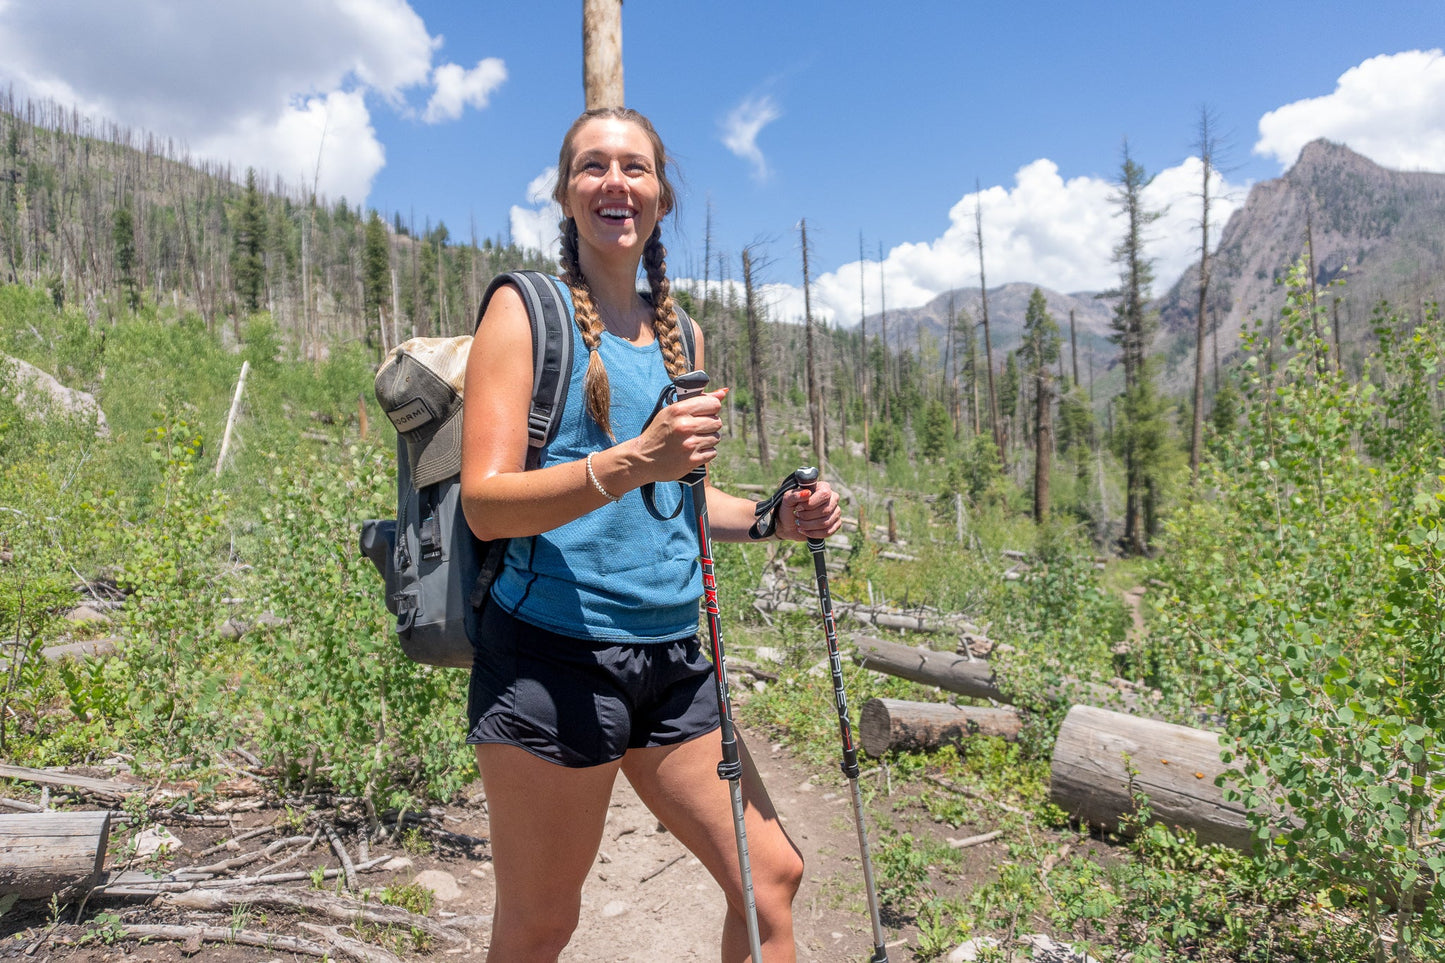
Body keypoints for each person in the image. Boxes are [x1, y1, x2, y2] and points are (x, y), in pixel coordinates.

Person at [458, 105, 843, 963]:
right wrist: (635, 457)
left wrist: (775, 517)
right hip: (551, 654)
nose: (615, 183)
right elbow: (486, 502)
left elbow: (678, 496)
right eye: (592, 166)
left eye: (634, 167)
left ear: (661, 194)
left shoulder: (682, 336)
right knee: (540, 924)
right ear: (564, 193)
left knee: (768, 877)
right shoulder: (525, 312)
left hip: (672, 660)